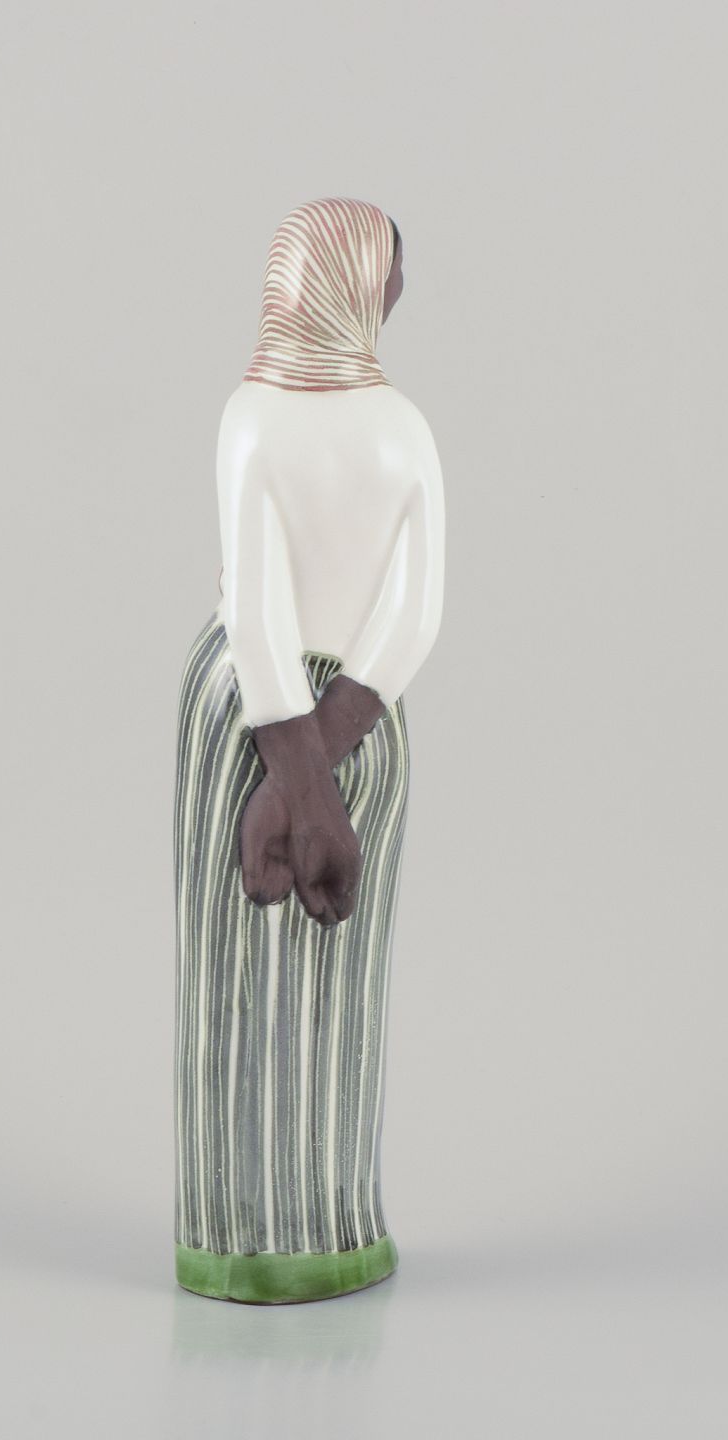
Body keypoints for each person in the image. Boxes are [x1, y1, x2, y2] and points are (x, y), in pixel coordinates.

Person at [173, 197, 445, 1303]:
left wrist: (289, 783)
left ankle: (228, 1231)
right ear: (361, 285)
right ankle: (335, 1222)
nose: (396, 291)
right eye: (391, 273)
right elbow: (415, 614)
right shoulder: (404, 430)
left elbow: (256, 615)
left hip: (246, 724)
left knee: (227, 984)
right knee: (341, 989)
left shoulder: (250, 417)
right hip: (361, 726)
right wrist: (327, 771)